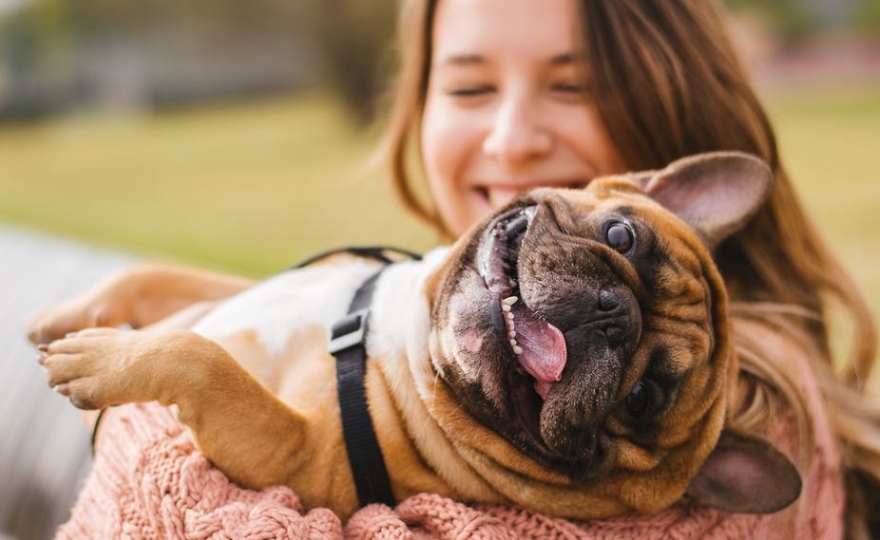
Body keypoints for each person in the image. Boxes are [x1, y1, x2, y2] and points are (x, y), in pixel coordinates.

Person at [27, 0, 879, 538]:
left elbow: (172, 512)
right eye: (470, 89)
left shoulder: (752, 427)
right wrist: (156, 294)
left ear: (672, 106)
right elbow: (292, 311)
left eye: (570, 87)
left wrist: (136, 418)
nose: (511, 139)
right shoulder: (426, 299)